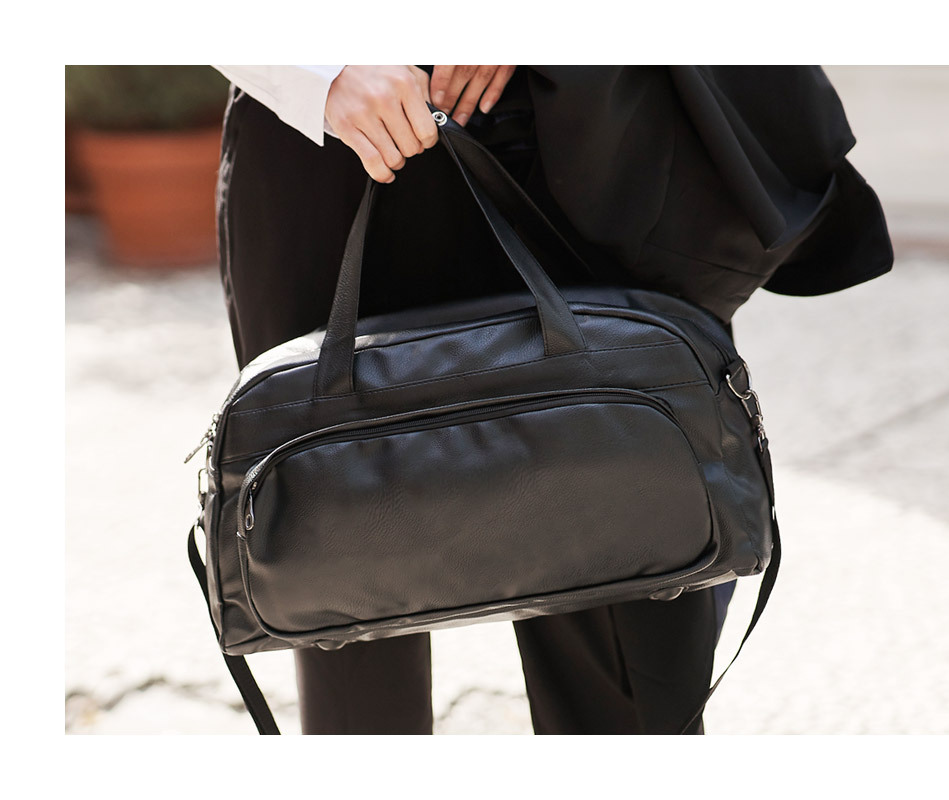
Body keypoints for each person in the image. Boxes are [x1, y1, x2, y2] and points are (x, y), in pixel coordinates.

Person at [211, 64, 892, 735]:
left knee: (631, 595)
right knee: (336, 581)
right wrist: (315, 65)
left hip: (579, 123)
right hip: (330, 131)